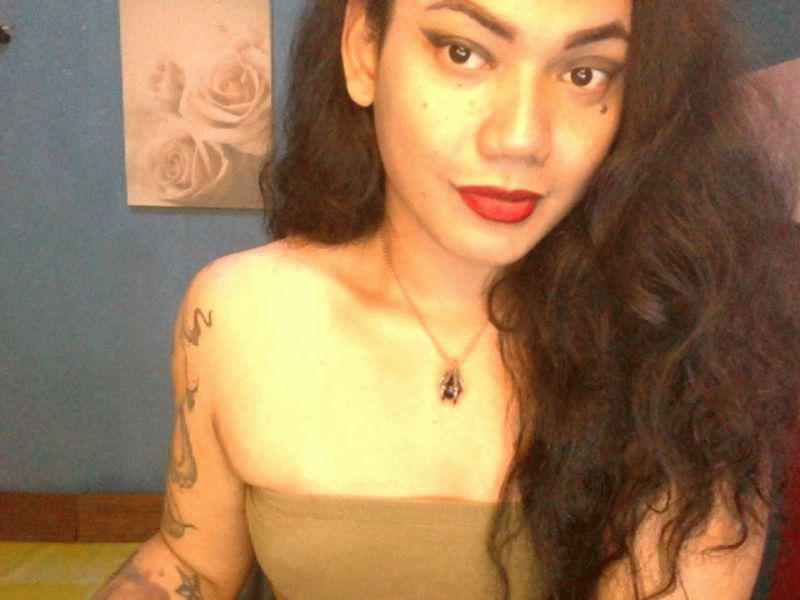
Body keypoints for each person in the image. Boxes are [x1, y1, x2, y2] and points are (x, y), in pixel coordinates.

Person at [94, 0, 800, 598]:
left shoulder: (686, 344)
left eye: (584, 73)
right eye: (464, 53)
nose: (520, 139)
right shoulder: (237, 313)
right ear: (364, 52)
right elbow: (190, 562)